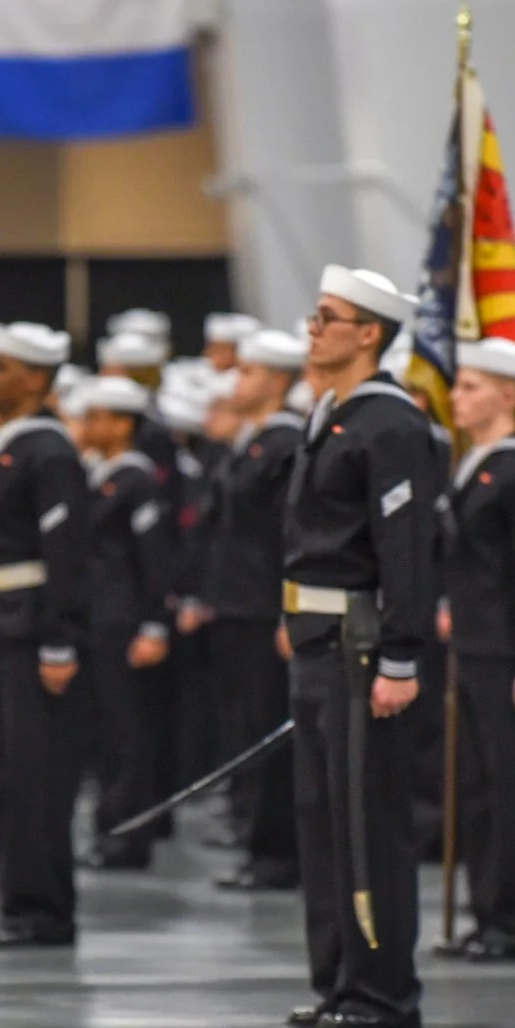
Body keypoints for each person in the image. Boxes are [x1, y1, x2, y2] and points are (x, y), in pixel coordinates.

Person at [282, 265, 440, 1028]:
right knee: (322, 820)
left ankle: (382, 989)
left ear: (369, 332)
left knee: (367, 821)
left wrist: (403, 656)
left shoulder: (391, 424)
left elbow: (405, 549)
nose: (313, 328)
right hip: (318, 641)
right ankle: (340, 977)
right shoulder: (331, 414)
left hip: (363, 645)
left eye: (327, 317)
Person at [436, 338, 515, 963]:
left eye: (470, 386)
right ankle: (489, 913)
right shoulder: (478, 463)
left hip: (511, 652)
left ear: (509, 395)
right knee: (482, 789)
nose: (456, 398)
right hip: (476, 645)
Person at [0, 322, 89, 948]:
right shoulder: (11, 444)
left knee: (36, 775)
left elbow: (65, 553)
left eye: (1, 366)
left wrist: (59, 639)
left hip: (32, 627)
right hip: (1, 622)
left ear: (36, 379)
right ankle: (20, 900)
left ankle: (43, 909)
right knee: (6, 772)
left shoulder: (48, 449)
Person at [195, 328, 307, 893]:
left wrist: (290, 610)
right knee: (245, 727)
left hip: (265, 607)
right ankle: (257, 839)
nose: (237, 381)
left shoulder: (284, 442)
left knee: (267, 729)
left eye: (249, 372)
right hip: (239, 606)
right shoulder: (251, 440)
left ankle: (277, 853)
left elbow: (290, 535)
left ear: (278, 381)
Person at [74, 376, 176, 871]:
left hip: (124, 619)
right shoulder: (102, 474)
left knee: (127, 731)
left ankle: (129, 834)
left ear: (121, 424)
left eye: (96, 417)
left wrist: (155, 624)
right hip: (101, 618)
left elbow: (154, 558)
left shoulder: (135, 480)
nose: (87, 425)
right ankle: (110, 825)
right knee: (105, 732)